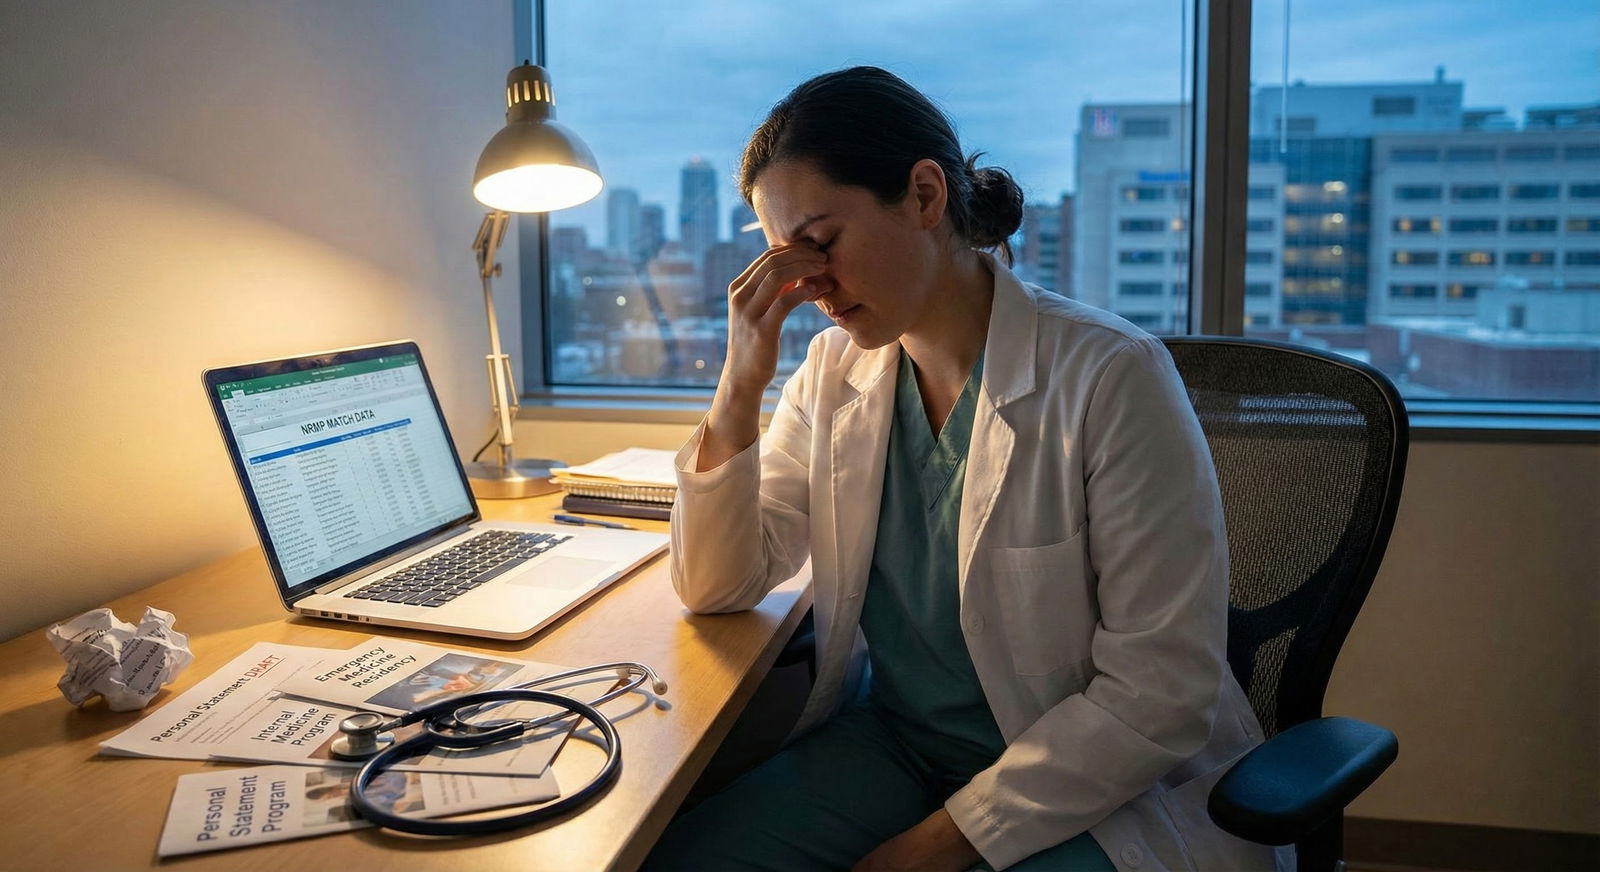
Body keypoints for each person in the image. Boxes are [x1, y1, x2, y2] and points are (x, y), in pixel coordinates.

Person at [647, 66, 1290, 872]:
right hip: (899, 745)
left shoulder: (1110, 376)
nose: (808, 285)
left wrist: (933, 846)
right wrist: (740, 380)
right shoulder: (831, 372)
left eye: (820, 243)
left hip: (1101, 780)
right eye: (785, 257)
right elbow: (716, 584)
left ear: (923, 196)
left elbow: (1161, 693)